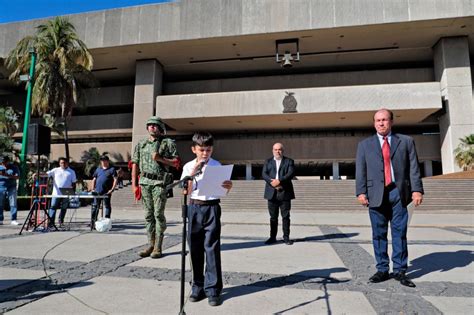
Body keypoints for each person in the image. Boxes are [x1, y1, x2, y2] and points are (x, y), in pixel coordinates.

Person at [356, 108, 423, 288]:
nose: (381, 123)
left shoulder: (406, 142)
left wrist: (417, 190)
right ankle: (382, 269)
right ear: (374, 123)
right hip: (375, 194)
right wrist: (360, 192)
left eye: (385, 120)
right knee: (378, 234)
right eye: (378, 120)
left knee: (399, 233)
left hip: (399, 193)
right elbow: (360, 170)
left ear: (391, 122)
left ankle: (400, 270)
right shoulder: (364, 145)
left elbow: (414, 168)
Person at [181, 132, 232, 307]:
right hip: (194, 207)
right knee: (195, 248)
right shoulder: (188, 167)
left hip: (211, 207)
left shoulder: (216, 165)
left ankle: (213, 289)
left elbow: (222, 189)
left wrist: (228, 186)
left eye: (208, 150)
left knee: (211, 247)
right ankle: (198, 285)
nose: (205, 153)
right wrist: (194, 172)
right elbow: (184, 191)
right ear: (194, 149)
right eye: (202, 150)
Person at [131, 116, 180, 259]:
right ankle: (150, 244)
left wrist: (161, 159)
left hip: (159, 183)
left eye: (155, 125)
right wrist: (134, 185)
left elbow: (176, 163)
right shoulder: (141, 144)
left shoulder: (167, 143)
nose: (152, 127)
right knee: (148, 215)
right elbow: (135, 163)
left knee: (158, 214)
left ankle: (158, 246)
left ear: (160, 128)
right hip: (145, 182)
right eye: (150, 125)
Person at [262, 143, 295, 245]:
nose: (277, 151)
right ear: (272, 150)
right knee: (273, 217)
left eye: (279, 149)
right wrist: (272, 182)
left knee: (285, 216)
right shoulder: (268, 161)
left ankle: (286, 237)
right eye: (275, 149)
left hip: (284, 192)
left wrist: (279, 181)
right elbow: (264, 174)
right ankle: (272, 238)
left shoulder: (289, 161)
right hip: (271, 193)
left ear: (282, 151)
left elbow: (290, 174)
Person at [46, 157, 77, 227]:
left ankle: (61, 221)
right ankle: (51, 223)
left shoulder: (71, 172)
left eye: (64, 163)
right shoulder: (55, 170)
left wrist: (73, 192)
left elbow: (74, 183)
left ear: (67, 163)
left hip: (66, 193)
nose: (62, 164)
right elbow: (47, 174)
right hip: (56, 193)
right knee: (53, 207)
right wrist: (37, 174)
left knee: (64, 208)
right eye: (61, 163)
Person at [91, 155, 118, 223]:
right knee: (95, 206)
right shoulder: (98, 169)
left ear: (108, 161)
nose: (103, 162)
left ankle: (107, 221)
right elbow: (94, 179)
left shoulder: (112, 169)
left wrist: (112, 189)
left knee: (107, 206)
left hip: (106, 192)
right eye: (102, 161)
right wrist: (92, 189)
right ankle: (93, 222)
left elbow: (115, 179)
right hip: (97, 192)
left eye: (104, 160)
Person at [0, 155, 20, 225]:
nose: (4, 164)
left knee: (13, 203)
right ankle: (0, 219)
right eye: (2, 162)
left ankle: (13, 219)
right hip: (1, 186)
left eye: (5, 162)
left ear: (8, 161)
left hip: (11, 187)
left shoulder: (14, 167)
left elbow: (17, 177)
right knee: (0, 203)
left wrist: (7, 175)